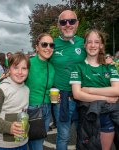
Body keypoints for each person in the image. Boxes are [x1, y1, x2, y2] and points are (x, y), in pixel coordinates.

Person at [0, 33, 55, 150]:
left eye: (51, 45)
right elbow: (11, 82)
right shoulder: (29, 62)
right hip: (32, 109)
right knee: (36, 146)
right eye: (44, 44)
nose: (48, 47)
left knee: (34, 140)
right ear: (37, 47)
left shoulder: (52, 67)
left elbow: (39, 87)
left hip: (46, 108)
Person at [70, 29, 119, 150]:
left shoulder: (109, 66)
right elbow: (77, 94)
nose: (93, 45)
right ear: (85, 44)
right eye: (89, 42)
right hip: (88, 118)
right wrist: (106, 97)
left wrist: (89, 90)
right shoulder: (78, 67)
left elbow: (117, 90)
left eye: (96, 42)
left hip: (107, 117)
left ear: (101, 45)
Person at [49, 10, 86, 150]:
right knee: (63, 136)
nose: (68, 24)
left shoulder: (84, 43)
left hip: (83, 97)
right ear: (58, 25)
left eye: (71, 21)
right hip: (62, 98)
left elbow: (98, 62)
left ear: (77, 24)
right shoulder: (51, 45)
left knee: (83, 135)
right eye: (63, 22)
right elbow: (40, 66)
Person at [0, 52, 30, 150]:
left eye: (24, 68)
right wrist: (9, 127)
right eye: (16, 68)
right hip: (3, 145)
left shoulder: (26, 89)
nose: (20, 72)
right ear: (9, 69)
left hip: (22, 142)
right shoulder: (1, 90)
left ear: (28, 70)